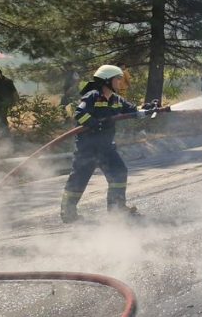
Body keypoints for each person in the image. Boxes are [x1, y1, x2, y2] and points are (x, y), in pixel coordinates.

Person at [60, 64, 144, 223]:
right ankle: (68, 213)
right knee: (79, 179)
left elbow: (130, 110)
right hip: (88, 148)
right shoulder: (92, 96)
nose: (120, 82)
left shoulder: (116, 99)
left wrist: (145, 109)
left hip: (106, 148)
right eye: (117, 79)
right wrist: (93, 123)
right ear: (106, 80)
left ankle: (117, 210)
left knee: (119, 172)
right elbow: (79, 114)